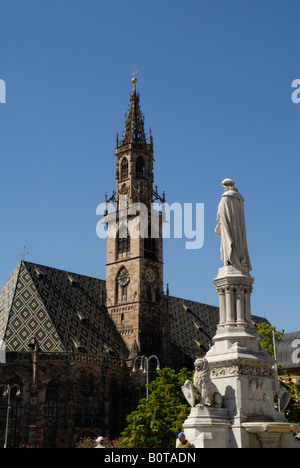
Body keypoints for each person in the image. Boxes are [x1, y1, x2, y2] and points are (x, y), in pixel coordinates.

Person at [215, 179, 252, 273]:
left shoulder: (225, 197)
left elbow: (222, 215)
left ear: (226, 186)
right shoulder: (239, 198)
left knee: (229, 239)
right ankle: (239, 260)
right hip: (238, 228)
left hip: (228, 226)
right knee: (238, 241)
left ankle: (231, 261)